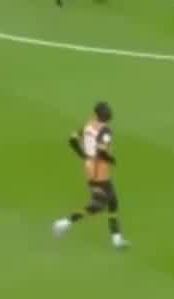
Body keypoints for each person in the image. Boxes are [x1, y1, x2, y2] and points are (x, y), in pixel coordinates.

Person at [54, 101, 128, 249]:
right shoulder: (105, 130)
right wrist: (110, 159)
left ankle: (116, 238)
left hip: (90, 168)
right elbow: (101, 150)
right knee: (98, 205)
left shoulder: (89, 125)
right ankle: (64, 223)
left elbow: (72, 139)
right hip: (99, 172)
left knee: (112, 201)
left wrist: (83, 156)